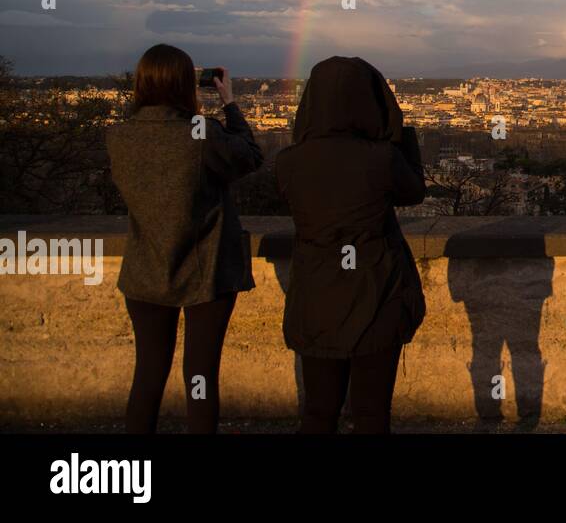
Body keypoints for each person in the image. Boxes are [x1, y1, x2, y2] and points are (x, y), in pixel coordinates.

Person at [105, 43, 262, 433]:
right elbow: (250, 156)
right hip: (205, 272)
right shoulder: (199, 133)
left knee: (148, 375)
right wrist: (229, 103)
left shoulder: (119, 136)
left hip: (144, 270)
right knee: (200, 378)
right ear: (184, 85)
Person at [276, 56, 427, 433]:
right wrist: (400, 132)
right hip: (377, 294)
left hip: (316, 297)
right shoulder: (381, 159)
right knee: (371, 413)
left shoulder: (289, 162)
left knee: (319, 410)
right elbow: (414, 192)